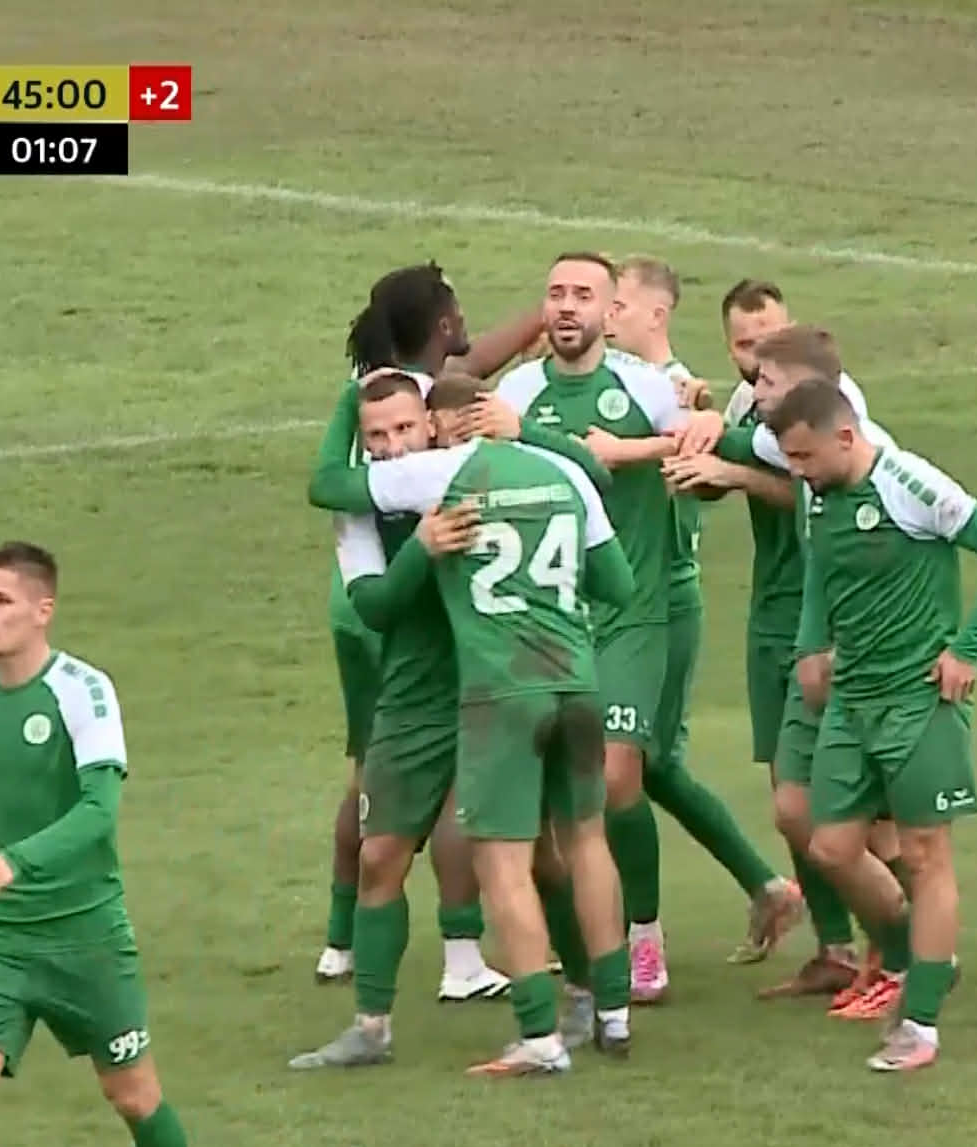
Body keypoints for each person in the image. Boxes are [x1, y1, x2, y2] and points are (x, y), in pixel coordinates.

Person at [493, 252, 803, 1026]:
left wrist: (679, 428)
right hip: (550, 617)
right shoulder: (517, 392)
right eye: (555, 293)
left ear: (612, 313)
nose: (567, 306)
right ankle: (585, 962)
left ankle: (643, 941)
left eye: (585, 295)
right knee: (561, 795)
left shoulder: (649, 386)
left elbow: (700, 440)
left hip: (636, 608)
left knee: (622, 774)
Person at [331, 422, 642, 1074]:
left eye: (407, 426)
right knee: (582, 841)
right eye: (378, 432)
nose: (395, 443)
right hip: (561, 683)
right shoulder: (559, 471)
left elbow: (327, 482)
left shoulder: (446, 475)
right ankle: (613, 1012)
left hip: (499, 691)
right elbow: (617, 584)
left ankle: (544, 1033)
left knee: (509, 863)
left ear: (439, 426)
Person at [767, 378, 977, 1072]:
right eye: (790, 459)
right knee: (830, 848)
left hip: (918, 699)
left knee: (923, 853)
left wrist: (967, 650)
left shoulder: (908, 483)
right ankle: (923, 954)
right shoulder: (819, 495)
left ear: (845, 438)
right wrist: (810, 646)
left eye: (804, 457)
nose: (797, 471)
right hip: (850, 698)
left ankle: (920, 1023)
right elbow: (820, 571)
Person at [0, 542, 197, 1147]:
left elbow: (98, 811)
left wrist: (15, 861)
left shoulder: (84, 690)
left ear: (42, 610)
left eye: (0, 600)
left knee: (133, 1095)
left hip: (85, 936)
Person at [302, 263, 540, 1000]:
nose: (395, 441)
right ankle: (460, 955)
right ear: (439, 323)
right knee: (435, 788)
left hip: (372, 615)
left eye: (404, 430)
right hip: (411, 626)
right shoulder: (423, 428)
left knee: (382, 779)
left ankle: (346, 942)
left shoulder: (377, 408)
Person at [666, 316, 899, 1006]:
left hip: (851, 642)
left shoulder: (862, 450)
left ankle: (904, 952)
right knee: (794, 801)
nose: (753, 387)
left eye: (766, 378)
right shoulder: (773, 427)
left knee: (867, 815)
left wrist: (725, 459)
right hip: (792, 627)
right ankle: (843, 950)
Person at [602, 255, 805, 993]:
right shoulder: (671, 395)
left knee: (634, 765)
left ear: (656, 313)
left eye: (617, 304)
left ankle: (639, 938)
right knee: (635, 765)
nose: (605, 317)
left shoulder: (672, 397)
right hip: (624, 603)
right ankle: (765, 889)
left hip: (661, 602)